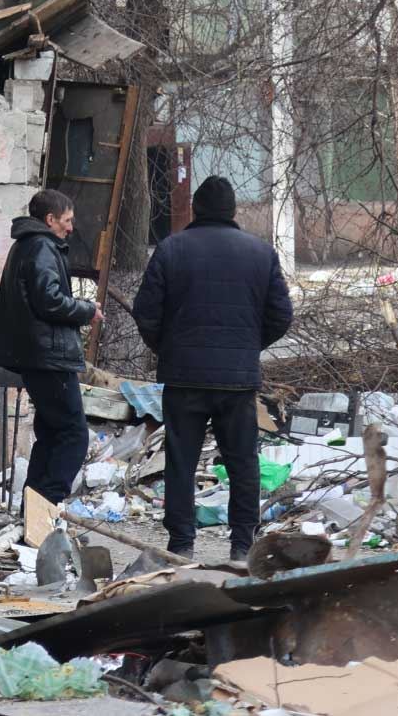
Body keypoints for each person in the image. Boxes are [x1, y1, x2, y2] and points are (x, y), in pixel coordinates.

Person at [133, 176, 292, 560]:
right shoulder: (260, 253)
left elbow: (146, 313)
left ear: (196, 209)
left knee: (181, 462)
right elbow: (282, 315)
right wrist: (247, 348)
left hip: (184, 377)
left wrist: (168, 349)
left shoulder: (171, 250)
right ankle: (241, 546)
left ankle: (181, 545)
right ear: (233, 211)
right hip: (237, 381)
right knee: (242, 462)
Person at [0, 189, 99, 505]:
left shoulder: (27, 245)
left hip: (37, 356)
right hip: (50, 357)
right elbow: (49, 301)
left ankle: (32, 513)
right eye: (67, 220)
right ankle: (46, 508)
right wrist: (87, 310)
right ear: (50, 219)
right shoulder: (42, 247)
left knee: (52, 435)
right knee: (73, 436)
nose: (70, 228)